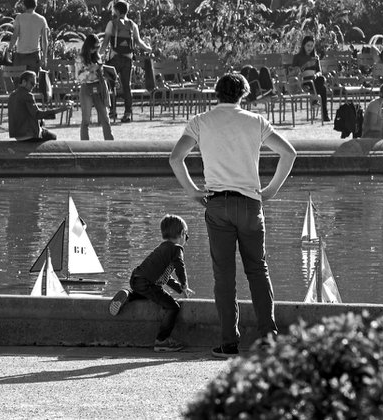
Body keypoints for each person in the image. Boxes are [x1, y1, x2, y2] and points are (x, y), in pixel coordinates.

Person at [169, 73, 297, 358]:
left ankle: (229, 342)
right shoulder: (255, 122)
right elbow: (289, 153)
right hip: (251, 203)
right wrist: (271, 189)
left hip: (217, 204)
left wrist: (192, 191)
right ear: (244, 94)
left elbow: (175, 159)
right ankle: (268, 338)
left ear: (216, 93)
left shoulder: (200, 121)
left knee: (224, 276)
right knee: (258, 270)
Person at [108, 214, 194, 352]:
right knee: (173, 307)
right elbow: (180, 267)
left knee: (145, 295)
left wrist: (179, 289)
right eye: (187, 236)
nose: (186, 239)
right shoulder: (176, 249)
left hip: (137, 279)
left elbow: (166, 277)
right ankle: (161, 341)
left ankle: (128, 294)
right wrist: (185, 285)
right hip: (149, 283)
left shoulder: (162, 248)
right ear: (183, 234)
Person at [101, 0, 152, 123]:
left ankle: (112, 111)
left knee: (109, 84)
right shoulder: (132, 25)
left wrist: (98, 54)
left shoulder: (112, 24)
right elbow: (139, 42)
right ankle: (127, 113)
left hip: (114, 58)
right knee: (126, 87)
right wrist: (148, 48)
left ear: (117, 11)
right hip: (128, 59)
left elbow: (106, 41)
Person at [8, 70, 69, 141]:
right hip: (29, 134)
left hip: (17, 135)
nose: (33, 87)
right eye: (32, 83)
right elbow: (37, 114)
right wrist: (59, 110)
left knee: (45, 130)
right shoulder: (27, 95)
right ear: (24, 82)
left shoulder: (12, 95)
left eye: (35, 84)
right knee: (53, 137)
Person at [76, 35, 114, 141]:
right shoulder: (80, 58)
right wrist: (90, 70)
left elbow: (101, 72)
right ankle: (85, 144)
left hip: (99, 86)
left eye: (98, 47)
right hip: (86, 87)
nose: (96, 50)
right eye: (94, 47)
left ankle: (110, 143)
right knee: (86, 119)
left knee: (105, 117)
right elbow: (79, 78)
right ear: (89, 47)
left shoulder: (97, 57)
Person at [291, 35, 330, 121]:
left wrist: (316, 75)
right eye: (308, 45)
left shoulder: (316, 57)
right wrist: (301, 69)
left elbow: (319, 71)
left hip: (315, 80)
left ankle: (320, 107)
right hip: (304, 81)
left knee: (321, 80)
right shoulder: (297, 57)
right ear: (303, 45)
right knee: (322, 88)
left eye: (312, 46)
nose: (310, 48)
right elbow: (293, 72)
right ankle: (323, 112)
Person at [8, 0, 49, 73]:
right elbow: (44, 41)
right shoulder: (42, 19)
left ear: (24, 5)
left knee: (19, 80)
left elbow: (14, 36)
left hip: (20, 54)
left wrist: (9, 50)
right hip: (34, 55)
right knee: (33, 81)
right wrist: (44, 57)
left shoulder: (19, 18)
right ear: (35, 5)